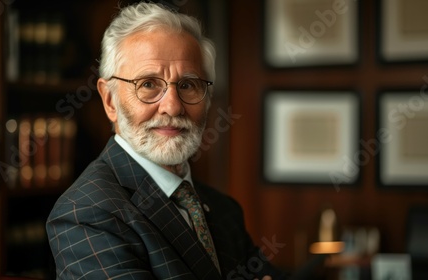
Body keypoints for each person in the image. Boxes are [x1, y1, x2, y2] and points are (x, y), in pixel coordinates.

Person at [46, 2, 288, 279]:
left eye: (187, 85)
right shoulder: (87, 214)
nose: (172, 107)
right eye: (148, 84)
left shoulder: (224, 210)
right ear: (110, 100)